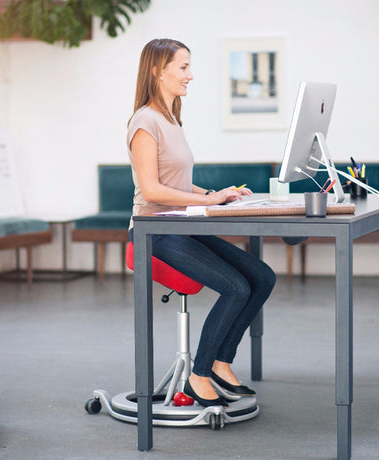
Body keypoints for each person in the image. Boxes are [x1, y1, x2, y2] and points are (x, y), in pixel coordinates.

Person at [127, 38, 276, 407]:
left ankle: (221, 363)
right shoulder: (145, 121)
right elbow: (152, 190)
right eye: (183, 67)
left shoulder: (171, 118)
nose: (190, 75)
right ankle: (200, 375)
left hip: (180, 223)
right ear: (157, 71)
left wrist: (214, 193)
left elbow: (175, 180)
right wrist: (208, 201)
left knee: (261, 277)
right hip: (153, 230)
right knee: (235, 288)